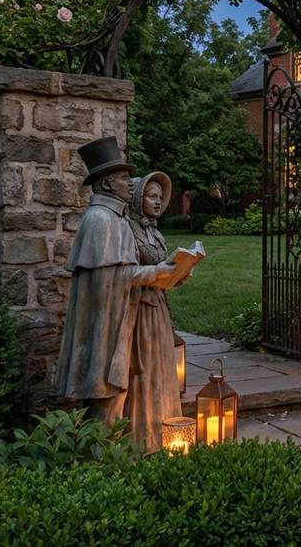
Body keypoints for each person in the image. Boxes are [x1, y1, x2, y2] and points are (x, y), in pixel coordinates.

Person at [55, 137, 175, 427]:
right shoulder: (101, 219)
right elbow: (116, 277)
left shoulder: (114, 218)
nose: (129, 183)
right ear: (107, 183)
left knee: (114, 397)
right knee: (104, 401)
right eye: (123, 177)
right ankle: (102, 461)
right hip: (104, 327)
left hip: (116, 321)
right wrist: (158, 271)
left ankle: (110, 460)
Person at [123, 171, 185, 452]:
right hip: (140, 311)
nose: (158, 202)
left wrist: (180, 272)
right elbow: (122, 274)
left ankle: (167, 433)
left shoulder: (155, 233)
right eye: (151, 196)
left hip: (159, 307)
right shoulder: (127, 231)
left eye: (160, 197)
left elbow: (163, 270)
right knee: (144, 369)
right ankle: (143, 438)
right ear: (137, 199)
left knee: (163, 368)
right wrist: (156, 273)